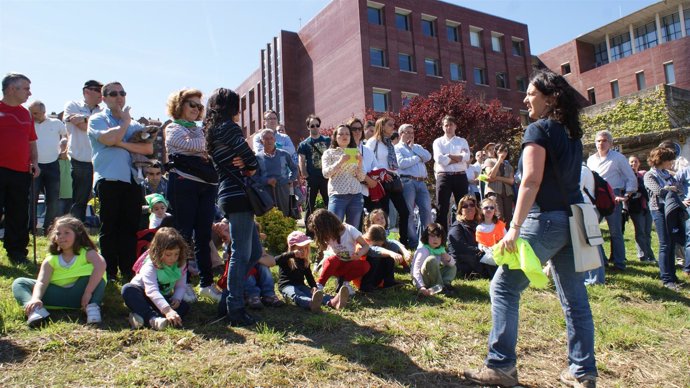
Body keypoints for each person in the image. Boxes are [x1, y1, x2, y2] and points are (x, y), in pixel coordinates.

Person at [464, 69, 597, 387]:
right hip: (572, 221)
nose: (525, 99)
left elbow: (531, 181)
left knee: (503, 287)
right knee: (574, 298)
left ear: (550, 98)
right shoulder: (571, 134)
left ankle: (501, 365)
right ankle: (583, 372)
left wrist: (514, 227)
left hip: (544, 221)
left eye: (531, 94)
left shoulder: (539, 130)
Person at [206, 87, 263, 327]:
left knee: (255, 253)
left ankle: (227, 299)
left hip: (229, 194)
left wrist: (247, 163)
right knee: (241, 253)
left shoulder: (212, 131)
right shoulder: (228, 128)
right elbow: (250, 160)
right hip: (237, 194)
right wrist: (249, 165)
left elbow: (245, 159)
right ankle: (235, 308)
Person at [88, 81, 151, 281]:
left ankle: (127, 269)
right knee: (110, 226)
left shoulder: (135, 125)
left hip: (132, 180)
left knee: (130, 227)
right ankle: (109, 271)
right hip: (109, 179)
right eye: (113, 93)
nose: (119, 96)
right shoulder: (97, 119)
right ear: (104, 98)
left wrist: (120, 142)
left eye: (122, 92)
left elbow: (148, 149)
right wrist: (124, 123)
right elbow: (107, 140)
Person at [165, 88, 221, 303]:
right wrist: (205, 147)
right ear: (179, 106)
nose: (197, 110)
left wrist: (203, 148)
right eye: (192, 105)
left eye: (200, 106)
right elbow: (191, 145)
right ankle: (183, 282)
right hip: (183, 184)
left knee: (204, 236)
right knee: (184, 235)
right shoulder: (173, 128)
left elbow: (202, 147)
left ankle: (206, 283)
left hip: (206, 186)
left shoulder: (199, 129)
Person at [12, 216, 106, 327]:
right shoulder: (51, 259)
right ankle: (35, 310)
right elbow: (41, 282)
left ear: (78, 234)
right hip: (56, 297)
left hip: (82, 297)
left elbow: (101, 265)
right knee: (19, 283)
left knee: (99, 275)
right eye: (58, 234)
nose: (61, 236)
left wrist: (88, 292)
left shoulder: (87, 253)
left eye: (66, 232)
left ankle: (92, 307)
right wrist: (36, 298)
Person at [0, 73, 38, 265]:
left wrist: (35, 162)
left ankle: (17, 252)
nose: (29, 93)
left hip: (21, 171)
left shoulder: (26, 114)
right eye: (26, 88)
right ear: (11, 89)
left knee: (19, 213)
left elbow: (32, 142)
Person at [586, 130, 637, 271]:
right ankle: (602, 261)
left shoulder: (618, 158)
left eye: (604, 141)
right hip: (595, 197)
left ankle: (619, 263)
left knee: (615, 232)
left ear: (610, 143)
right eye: (598, 141)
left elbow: (630, 177)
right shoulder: (590, 160)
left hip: (614, 195)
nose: (601, 143)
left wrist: (626, 195)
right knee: (593, 231)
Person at [121, 227, 190, 330]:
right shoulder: (150, 264)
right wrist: (168, 311)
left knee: (184, 306)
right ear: (158, 251)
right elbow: (151, 290)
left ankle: (141, 317)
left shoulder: (180, 263)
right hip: (143, 294)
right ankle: (152, 318)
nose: (173, 258)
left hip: (160, 298)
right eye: (168, 254)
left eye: (176, 254)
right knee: (127, 290)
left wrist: (177, 298)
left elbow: (181, 285)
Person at [276, 231, 348, 312]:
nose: (303, 250)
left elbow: (309, 276)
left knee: (313, 293)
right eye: (300, 248)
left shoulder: (304, 261)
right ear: (292, 248)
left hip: (301, 285)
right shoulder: (286, 258)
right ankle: (310, 303)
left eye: (306, 248)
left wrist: (314, 286)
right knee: (297, 295)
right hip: (286, 286)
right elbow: (275, 260)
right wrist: (291, 254)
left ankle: (333, 301)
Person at [365, 116, 410, 247]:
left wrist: (397, 176)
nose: (393, 127)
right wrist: (382, 173)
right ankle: (381, 242)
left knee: (404, 212)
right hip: (381, 181)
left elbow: (394, 163)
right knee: (383, 214)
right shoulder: (373, 142)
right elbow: (370, 162)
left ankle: (403, 242)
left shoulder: (390, 142)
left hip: (393, 180)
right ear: (382, 126)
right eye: (390, 125)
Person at [644, 147, 684, 291]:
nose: (672, 163)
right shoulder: (649, 175)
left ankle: (673, 276)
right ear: (662, 160)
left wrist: (671, 188)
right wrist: (670, 189)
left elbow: (680, 189)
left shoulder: (667, 174)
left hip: (671, 210)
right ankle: (666, 279)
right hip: (659, 210)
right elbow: (658, 192)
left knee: (672, 243)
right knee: (665, 244)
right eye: (670, 160)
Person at [63, 80, 103, 222]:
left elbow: (101, 129)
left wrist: (84, 119)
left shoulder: (104, 111)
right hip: (80, 159)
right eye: (98, 90)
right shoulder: (72, 105)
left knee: (103, 199)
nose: (102, 94)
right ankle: (75, 232)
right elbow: (82, 127)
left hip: (100, 161)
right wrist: (93, 123)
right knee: (79, 200)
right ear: (87, 91)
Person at [308, 209, 370, 296]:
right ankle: (319, 285)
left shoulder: (349, 230)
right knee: (333, 259)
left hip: (349, 263)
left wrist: (358, 254)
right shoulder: (326, 236)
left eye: (324, 231)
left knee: (365, 265)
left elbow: (366, 246)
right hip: (333, 265)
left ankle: (344, 282)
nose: (325, 235)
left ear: (330, 225)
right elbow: (325, 253)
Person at [28, 100, 67, 234]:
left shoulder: (56, 123)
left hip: (53, 164)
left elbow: (67, 136)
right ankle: (31, 229)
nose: (32, 116)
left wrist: (64, 147)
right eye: (31, 113)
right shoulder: (28, 124)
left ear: (44, 112)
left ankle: (49, 229)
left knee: (53, 200)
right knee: (31, 199)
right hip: (34, 164)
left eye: (36, 113)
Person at [395, 123, 432, 249]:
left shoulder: (417, 146)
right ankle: (413, 241)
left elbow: (428, 156)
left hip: (421, 182)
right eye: (408, 132)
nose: (411, 134)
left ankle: (426, 239)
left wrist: (415, 151)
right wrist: (417, 157)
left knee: (427, 210)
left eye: (412, 132)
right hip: (408, 182)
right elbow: (402, 164)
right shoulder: (397, 148)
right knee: (409, 212)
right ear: (401, 134)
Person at [322, 124, 366, 227]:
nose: (344, 136)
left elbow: (361, 177)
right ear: (335, 137)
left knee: (353, 230)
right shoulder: (329, 153)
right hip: (338, 195)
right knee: (333, 228)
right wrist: (340, 161)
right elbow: (326, 174)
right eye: (341, 134)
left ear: (350, 137)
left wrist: (360, 162)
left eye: (347, 134)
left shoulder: (356, 152)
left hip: (356, 194)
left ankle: (349, 244)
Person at [433, 115, 471, 233]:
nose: (448, 127)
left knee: (464, 206)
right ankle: (441, 237)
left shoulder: (462, 141)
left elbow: (467, 157)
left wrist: (448, 156)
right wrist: (458, 158)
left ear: (455, 126)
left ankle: (464, 233)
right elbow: (439, 159)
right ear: (443, 127)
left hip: (460, 175)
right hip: (444, 176)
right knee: (442, 207)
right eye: (446, 125)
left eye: (451, 125)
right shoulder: (438, 142)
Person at [447, 195, 495, 279]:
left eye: (472, 205)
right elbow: (461, 248)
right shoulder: (457, 227)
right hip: (464, 263)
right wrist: (482, 250)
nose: (469, 207)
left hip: (476, 257)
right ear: (460, 211)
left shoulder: (478, 224)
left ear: (476, 208)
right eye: (465, 206)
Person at [255, 129, 298, 217]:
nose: (269, 141)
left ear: (275, 140)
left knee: (284, 215)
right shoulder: (257, 158)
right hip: (266, 191)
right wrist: (266, 181)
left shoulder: (284, 154)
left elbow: (294, 169)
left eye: (271, 138)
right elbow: (254, 177)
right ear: (261, 141)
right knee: (268, 217)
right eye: (266, 138)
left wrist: (290, 179)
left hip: (283, 189)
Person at [297, 114, 330, 228]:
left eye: (317, 125)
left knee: (329, 202)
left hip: (326, 176)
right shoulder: (304, 144)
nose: (315, 127)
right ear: (308, 127)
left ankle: (331, 226)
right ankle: (309, 229)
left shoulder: (327, 140)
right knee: (310, 204)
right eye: (312, 126)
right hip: (312, 177)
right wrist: (304, 174)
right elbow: (301, 160)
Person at [347, 117, 379, 227]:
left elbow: (375, 167)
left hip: (368, 191)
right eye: (354, 129)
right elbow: (353, 171)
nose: (357, 131)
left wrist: (374, 178)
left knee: (369, 223)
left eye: (359, 129)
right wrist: (369, 180)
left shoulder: (367, 150)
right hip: (353, 191)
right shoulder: (348, 149)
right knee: (356, 225)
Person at [411, 223, 456, 296]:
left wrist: (448, 258)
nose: (436, 239)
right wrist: (421, 287)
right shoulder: (423, 250)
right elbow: (415, 270)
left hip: (433, 277)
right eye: (432, 236)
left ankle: (445, 284)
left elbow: (452, 264)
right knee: (431, 259)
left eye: (439, 237)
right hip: (422, 279)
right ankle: (440, 287)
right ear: (427, 237)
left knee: (452, 266)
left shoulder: (440, 250)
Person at [627, 155, 656, 263]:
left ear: (639, 163)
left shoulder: (643, 174)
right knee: (640, 232)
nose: (633, 164)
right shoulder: (627, 177)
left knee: (647, 233)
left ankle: (650, 255)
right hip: (635, 207)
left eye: (635, 162)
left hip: (647, 206)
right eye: (631, 162)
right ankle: (643, 256)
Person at [360, 224, 404, 292]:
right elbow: (374, 250)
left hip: (378, 277)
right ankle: (366, 287)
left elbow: (393, 244)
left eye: (381, 243)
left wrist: (404, 252)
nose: (380, 245)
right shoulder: (363, 241)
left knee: (388, 254)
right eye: (377, 244)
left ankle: (389, 282)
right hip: (362, 278)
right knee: (376, 256)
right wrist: (391, 253)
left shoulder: (383, 241)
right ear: (369, 239)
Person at [482, 142, 515, 225]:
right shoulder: (489, 161)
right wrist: (499, 160)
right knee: (498, 215)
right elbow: (491, 176)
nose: (503, 153)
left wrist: (497, 178)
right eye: (501, 150)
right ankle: (497, 237)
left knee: (508, 217)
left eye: (505, 151)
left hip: (507, 193)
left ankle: (507, 236)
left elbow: (511, 181)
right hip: (494, 192)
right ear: (496, 151)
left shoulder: (509, 166)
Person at [475, 198, 506, 265]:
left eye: (491, 207)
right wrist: (482, 247)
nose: (489, 209)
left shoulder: (500, 224)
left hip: (501, 253)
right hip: (488, 256)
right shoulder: (479, 228)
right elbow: (480, 244)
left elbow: (506, 238)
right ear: (481, 210)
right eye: (486, 207)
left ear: (494, 210)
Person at [57, 138, 73, 216]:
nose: (65, 148)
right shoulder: (54, 160)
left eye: (67, 146)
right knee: (59, 221)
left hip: (73, 197)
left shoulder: (74, 160)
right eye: (63, 146)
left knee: (71, 222)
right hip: (59, 197)